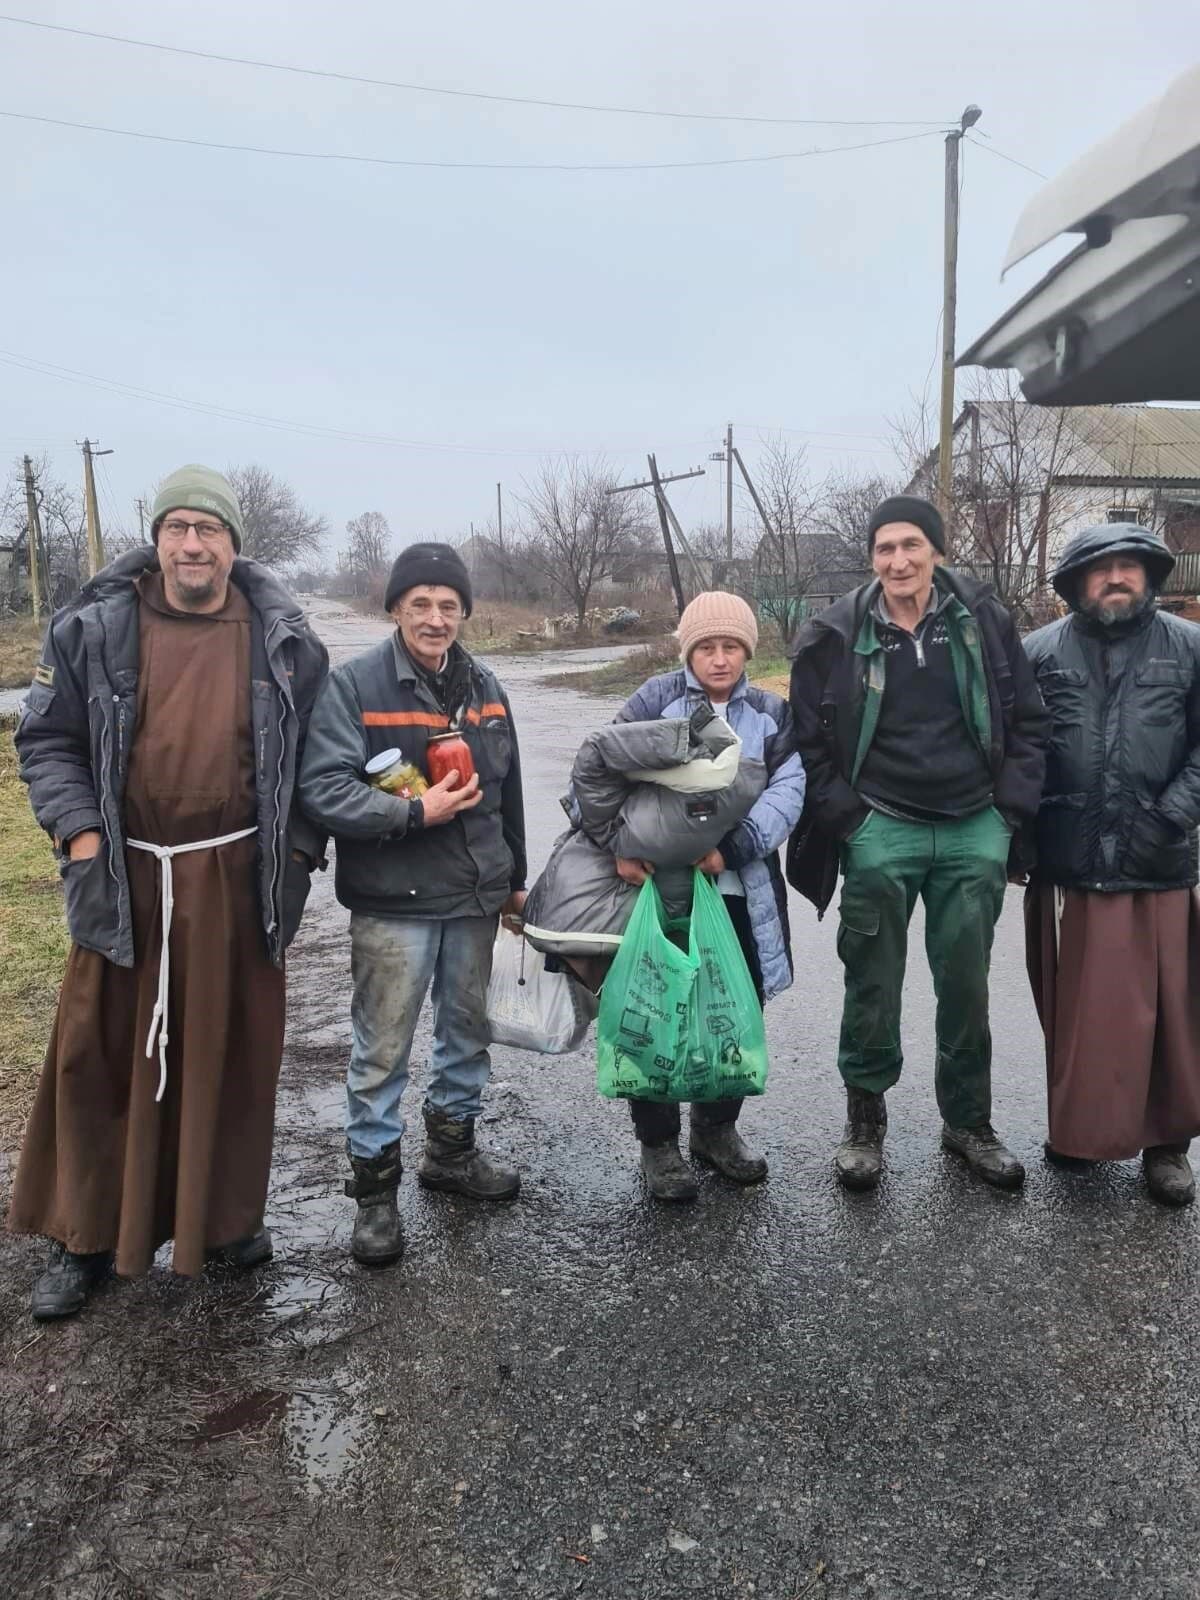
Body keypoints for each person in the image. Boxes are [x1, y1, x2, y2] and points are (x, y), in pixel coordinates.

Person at [9, 465, 328, 1320]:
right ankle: (81, 1236)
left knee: (232, 1049)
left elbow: (317, 762)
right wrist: (79, 834)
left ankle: (222, 1221)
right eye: (177, 526)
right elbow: (47, 741)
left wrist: (297, 853)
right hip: (125, 872)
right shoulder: (96, 624)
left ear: (233, 542)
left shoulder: (282, 636)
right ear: (156, 539)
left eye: (209, 529)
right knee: (98, 1050)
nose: (193, 544)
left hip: (236, 874)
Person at [788, 495, 1049, 1192]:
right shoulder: (836, 633)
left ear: (936, 550)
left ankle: (968, 1123)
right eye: (884, 548)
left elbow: (1028, 718)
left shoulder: (984, 621)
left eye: (911, 545)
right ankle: (865, 1124)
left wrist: (1006, 815)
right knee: (871, 981)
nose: (898, 560)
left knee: (965, 984)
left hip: (973, 826)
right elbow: (807, 739)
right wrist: (849, 819)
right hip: (881, 826)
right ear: (871, 558)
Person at [298, 542, 526, 1266]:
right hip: (394, 902)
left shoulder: (485, 684)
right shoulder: (356, 685)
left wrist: (515, 880)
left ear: (464, 612)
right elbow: (324, 788)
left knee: (467, 1035)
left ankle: (451, 1156)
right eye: (421, 603)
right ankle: (374, 1196)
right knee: (382, 1051)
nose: (436, 618)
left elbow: (508, 794)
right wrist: (410, 813)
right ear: (395, 608)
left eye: (449, 605)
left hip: (473, 898)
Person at [1024, 523, 1200, 1205]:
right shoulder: (1037, 653)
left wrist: (1171, 815)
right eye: (1101, 569)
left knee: (1167, 1014)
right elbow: (1016, 755)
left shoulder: (1188, 649)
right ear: (1074, 583)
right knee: (1078, 1014)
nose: (1116, 578)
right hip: (1067, 860)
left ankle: (1167, 1147)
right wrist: (1019, 838)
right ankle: (1082, 1132)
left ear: (1151, 577)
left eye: (1129, 567)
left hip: (1157, 856)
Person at [612, 591, 806, 1200]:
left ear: (748, 651)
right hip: (663, 894)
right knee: (657, 1010)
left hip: (739, 894)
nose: (719, 660)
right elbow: (605, 767)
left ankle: (716, 1130)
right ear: (688, 651)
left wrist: (737, 845)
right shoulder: (653, 699)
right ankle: (659, 1142)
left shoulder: (772, 713)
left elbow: (790, 788)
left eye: (731, 647)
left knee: (730, 1009)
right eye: (706, 647)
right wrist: (617, 840)